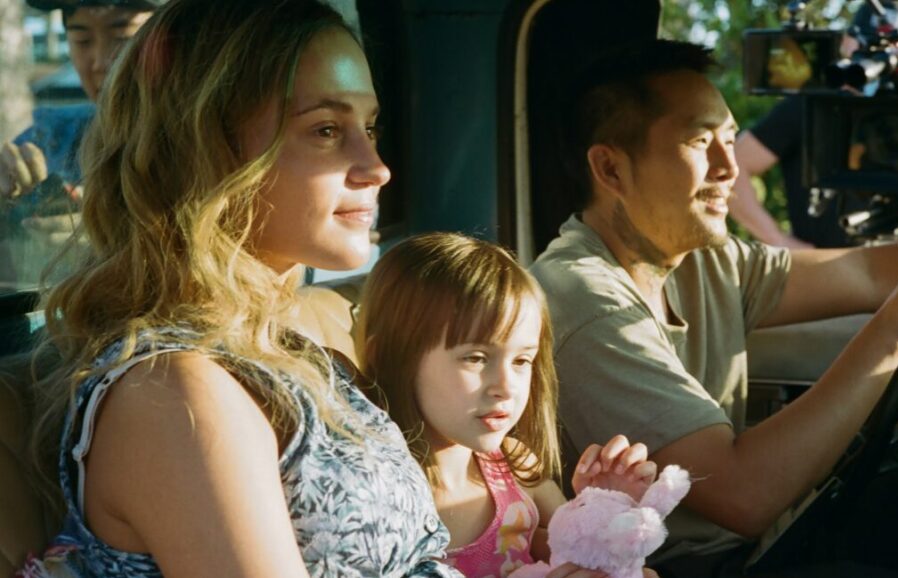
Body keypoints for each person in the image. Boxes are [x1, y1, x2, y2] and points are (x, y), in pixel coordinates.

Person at [530, 38, 898, 577]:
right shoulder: (581, 297)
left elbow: (861, 272)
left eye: (730, 140)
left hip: (755, 545)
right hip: (680, 568)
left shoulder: (699, 260)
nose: (729, 168)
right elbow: (744, 495)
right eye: (701, 142)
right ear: (610, 169)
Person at [17, 1, 467, 576]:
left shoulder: (295, 356)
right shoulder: (176, 392)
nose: (375, 166)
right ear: (205, 154)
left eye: (370, 127)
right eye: (326, 130)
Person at [355, 231, 659, 578]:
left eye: (521, 361)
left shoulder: (512, 465)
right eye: (475, 358)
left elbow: (576, 553)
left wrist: (602, 509)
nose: (506, 386)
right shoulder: (381, 496)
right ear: (390, 360)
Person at [1, 0, 161, 290]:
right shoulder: (50, 138)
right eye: (81, 40)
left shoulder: (212, 148)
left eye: (124, 38)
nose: (100, 61)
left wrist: (116, 235)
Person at [729, 1, 898, 249]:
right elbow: (734, 166)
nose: (871, 56)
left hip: (893, 270)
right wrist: (780, 242)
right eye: (864, 42)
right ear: (846, 42)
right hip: (820, 273)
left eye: (885, 50)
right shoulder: (808, 105)